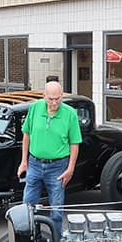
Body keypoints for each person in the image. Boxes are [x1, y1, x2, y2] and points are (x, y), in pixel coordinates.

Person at [17, 81, 81, 233]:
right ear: (43, 96)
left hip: (58, 167)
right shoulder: (34, 108)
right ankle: (30, 240)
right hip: (34, 164)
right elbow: (26, 135)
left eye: (58, 98)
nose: (54, 102)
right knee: (27, 207)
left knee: (57, 211)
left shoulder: (70, 113)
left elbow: (75, 143)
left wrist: (70, 169)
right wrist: (24, 162)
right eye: (50, 99)